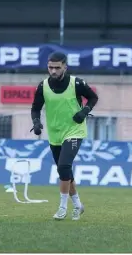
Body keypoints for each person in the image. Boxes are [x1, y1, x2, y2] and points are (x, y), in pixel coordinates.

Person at [30, 52, 98, 220]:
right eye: (50, 67)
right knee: (65, 171)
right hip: (55, 134)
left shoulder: (77, 83)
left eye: (57, 68)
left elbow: (93, 97)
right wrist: (37, 123)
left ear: (65, 67)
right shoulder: (42, 86)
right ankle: (78, 205)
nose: (53, 71)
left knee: (63, 166)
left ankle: (62, 207)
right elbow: (35, 108)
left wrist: (84, 112)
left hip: (74, 131)